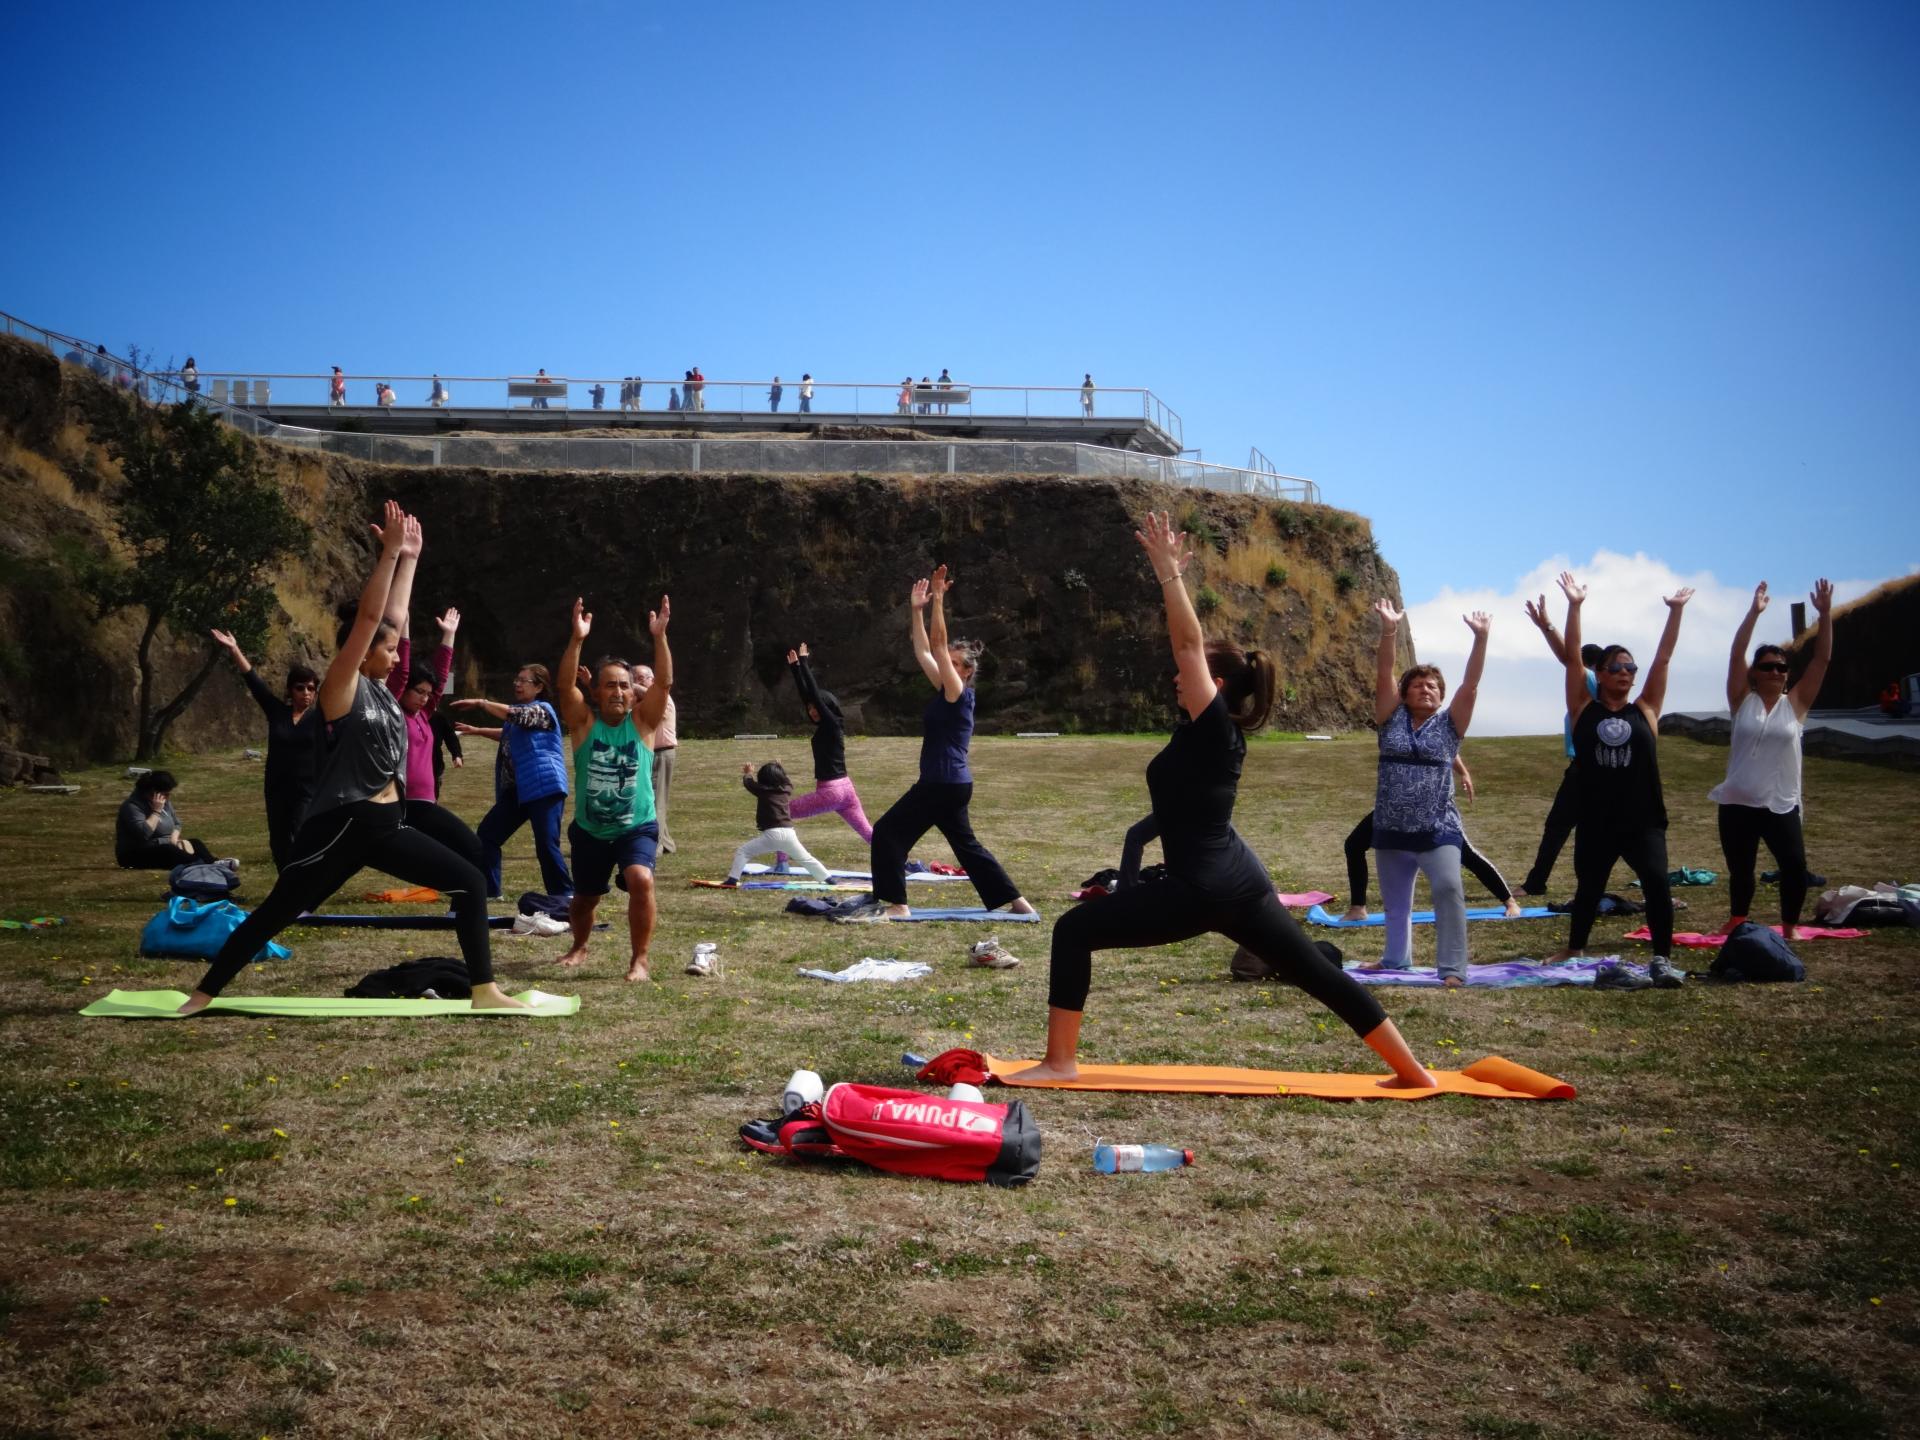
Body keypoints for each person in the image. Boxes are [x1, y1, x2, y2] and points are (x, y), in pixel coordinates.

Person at [1011, 512, 1434, 1087]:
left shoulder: (1213, 727)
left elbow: (1186, 642)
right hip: (1240, 881)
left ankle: (1060, 1063)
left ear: (1218, 685)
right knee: (1314, 972)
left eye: (1189, 673)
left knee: (1073, 931)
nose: (1176, 676)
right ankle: (1413, 1072)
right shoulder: (1197, 731)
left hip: (1202, 887)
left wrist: (1167, 574)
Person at [175, 502, 526, 1015]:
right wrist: (385, 557)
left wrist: (410, 558)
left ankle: (484, 991)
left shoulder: (386, 691)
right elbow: (371, 618)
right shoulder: (343, 688)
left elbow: (394, 619)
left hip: (384, 823)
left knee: (470, 882)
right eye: (384, 650)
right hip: (344, 821)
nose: (394, 654)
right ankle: (203, 994)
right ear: (361, 654)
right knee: (279, 910)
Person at [851, 565, 1035, 922]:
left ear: (966, 671)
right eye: (946, 663)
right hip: (951, 784)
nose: (945, 665)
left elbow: (937, 644)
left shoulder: (958, 692)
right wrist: (916, 611)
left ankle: (898, 905)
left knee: (887, 833)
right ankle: (1018, 903)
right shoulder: (946, 689)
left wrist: (938, 601)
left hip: (940, 783)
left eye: (953, 663)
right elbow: (924, 651)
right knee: (968, 848)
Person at [1546, 572, 1692, 986]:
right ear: (1602, 673)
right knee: (1589, 887)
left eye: (1630, 667)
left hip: (1643, 820)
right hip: (1596, 819)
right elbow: (1573, 657)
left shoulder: (1645, 709)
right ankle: (1575, 947)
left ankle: (1661, 957)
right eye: (1617, 667)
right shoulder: (1582, 709)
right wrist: (1574, 607)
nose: (1626, 673)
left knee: (1657, 886)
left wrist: (1675, 613)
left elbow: (1663, 659)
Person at [1364, 601, 1491, 985]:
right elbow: (1384, 671)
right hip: (1391, 826)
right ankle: (1395, 959)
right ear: (1404, 694)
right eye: (1417, 684)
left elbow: (1470, 685)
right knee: (1396, 902)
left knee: (1449, 889)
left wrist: (1481, 639)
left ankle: (1452, 969)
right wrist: (1389, 629)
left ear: (1441, 695)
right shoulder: (1391, 717)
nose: (1425, 688)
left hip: (1438, 827)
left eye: (1433, 685)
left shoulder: (1451, 724)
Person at [554, 595, 673, 981]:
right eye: (609, 686)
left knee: (641, 879)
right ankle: (579, 945)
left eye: (624, 685)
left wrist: (659, 638)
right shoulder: (584, 724)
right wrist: (576, 639)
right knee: (585, 898)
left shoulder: (643, 724)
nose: (618, 692)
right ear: (597, 692)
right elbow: (563, 685)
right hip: (590, 829)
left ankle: (640, 959)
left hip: (636, 825)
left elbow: (665, 683)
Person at [1709, 579, 1835, 939]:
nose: (1777, 672)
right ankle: (1737, 920)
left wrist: (1824, 615)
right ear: (1755, 673)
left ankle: (1791, 926)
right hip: (1737, 801)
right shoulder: (1741, 701)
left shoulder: (1795, 705)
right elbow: (1736, 654)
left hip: (1781, 804)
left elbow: (1822, 659)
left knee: (1795, 866)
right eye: (1768, 667)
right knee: (1741, 869)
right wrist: (1754, 613)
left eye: (1782, 667)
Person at [1341, 752, 1521, 923]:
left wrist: (1464, 773)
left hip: (1431, 808)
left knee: (1466, 854)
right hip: (1394, 807)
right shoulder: (1395, 724)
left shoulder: (1433, 723)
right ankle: (1358, 908)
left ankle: (1509, 900)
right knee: (1354, 844)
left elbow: (1448, 748)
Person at [451, 664, 574, 900]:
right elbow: (507, 731)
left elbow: (513, 716)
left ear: (539, 687)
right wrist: (476, 730)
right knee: (488, 835)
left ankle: (564, 894)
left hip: (543, 786)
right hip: (518, 790)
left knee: (546, 845)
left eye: (524, 681)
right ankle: (489, 890)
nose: (517, 684)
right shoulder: (521, 713)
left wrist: (481, 703)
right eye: (516, 679)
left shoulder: (542, 711)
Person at [210, 629, 323, 869]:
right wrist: (233, 648)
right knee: (279, 840)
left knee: (301, 832)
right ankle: (286, 882)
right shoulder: (277, 713)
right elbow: (254, 681)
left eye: (311, 688)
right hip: (276, 787)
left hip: (307, 789)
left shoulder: (320, 719)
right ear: (290, 690)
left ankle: (304, 879)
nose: (306, 693)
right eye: (300, 687)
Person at [1518, 596, 1604, 897]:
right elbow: (1569, 659)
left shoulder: (1592, 679)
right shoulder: (1591, 684)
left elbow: (1569, 658)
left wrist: (1549, 626)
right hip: (1582, 768)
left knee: (1561, 828)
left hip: (1591, 770)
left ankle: (1536, 883)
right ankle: (1537, 882)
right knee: (1562, 828)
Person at [781, 642, 874, 854]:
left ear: (827, 707)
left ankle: (782, 862)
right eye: (810, 709)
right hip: (846, 790)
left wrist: (804, 663)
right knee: (869, 833)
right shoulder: (831, 726)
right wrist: (795, 669)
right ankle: (902, 860)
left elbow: (813, 694)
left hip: (831, 791)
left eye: (817, 707)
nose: (813, 711)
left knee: (782, 812)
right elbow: (808, 697)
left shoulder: (832, 723)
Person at [725, 761, 831, 885]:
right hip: (789, 833)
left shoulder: (762, 790)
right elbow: (787, 781)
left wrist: (748, 773)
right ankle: (828, 879)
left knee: (743, 852)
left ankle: (732, 879)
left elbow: (749, 783)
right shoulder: (786, 790)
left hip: (771, 834)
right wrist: (780, 768)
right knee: (806, 858)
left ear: (763, 779)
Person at [116, 770, 217, 869]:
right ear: (153, 792)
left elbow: (177, 823)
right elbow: (143, 833)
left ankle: (214, 863)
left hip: (166, 845)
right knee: (168, 850)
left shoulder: (165, 802)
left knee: (195, 842)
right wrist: (156, 811)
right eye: (166, 794)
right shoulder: (132, 806)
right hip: (135, 853)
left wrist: (174, 839)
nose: (168, 797)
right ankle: (199, 864)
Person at [635, 663, 677, 854]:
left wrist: (630, 684)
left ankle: (655, 846)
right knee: (652, 798)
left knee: (655, 801)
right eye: (634, 678)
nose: (637, 682)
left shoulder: (660, 697)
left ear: (652, 679)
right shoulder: (643, 701)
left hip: (662, 752)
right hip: (650, 753)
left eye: (641, 678)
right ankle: (667, 843)